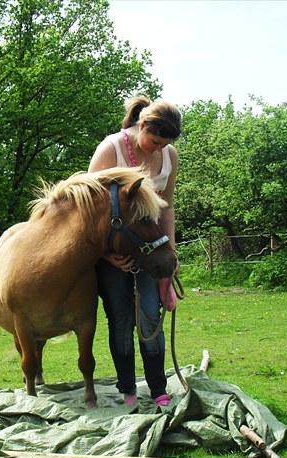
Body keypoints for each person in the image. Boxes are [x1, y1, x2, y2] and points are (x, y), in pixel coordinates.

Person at [88, 96, 181, 407]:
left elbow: (166, 207)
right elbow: (86, 210)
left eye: (163, 144)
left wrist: (170, 249)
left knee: (150, 317)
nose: (158, 148)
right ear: (141, 125)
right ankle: (127, 388)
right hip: (115, 252)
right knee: (121, 319)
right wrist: (104, 255)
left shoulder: (169, 156)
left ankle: (158, 388)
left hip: (151, 251)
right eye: (154, 141)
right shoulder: (110, 149)